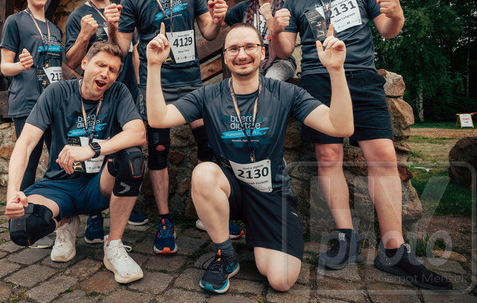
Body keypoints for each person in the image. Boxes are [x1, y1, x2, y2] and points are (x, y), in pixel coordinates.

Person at [270, 0, 452, 291]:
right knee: (328, 156)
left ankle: (394, 250)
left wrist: (397, 13)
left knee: (383, 156)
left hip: (362, 77)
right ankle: (345, 237)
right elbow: (285, 50)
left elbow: (388, 29)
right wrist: (275, 30)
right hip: (319, 80)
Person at [145, 22, 353, 293]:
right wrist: (154, 66)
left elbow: (341, 126)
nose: (241, 54)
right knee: (204, 173)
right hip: (231, 191)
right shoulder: (208, 95)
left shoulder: (285, 92)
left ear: (263, 52)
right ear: (225, 57)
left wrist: (336, 70)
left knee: (281, 280)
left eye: (249, 47)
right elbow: (158, 118)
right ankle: (226, 255)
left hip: (272, 194)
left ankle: (260, 235)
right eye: (233, 49)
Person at [116, 0, 242, 254]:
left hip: (191, 84)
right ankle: (165, 221)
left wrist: (218, 19)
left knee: (208, 147)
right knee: (158, 153)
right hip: (155, 87)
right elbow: (122, 46)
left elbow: (209, 32)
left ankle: (208, 213)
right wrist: (114, 28)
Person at [5, 42, 146, 284]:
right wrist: (12, 194)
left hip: (99, 184)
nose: (105, 73)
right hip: (58, 186)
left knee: (132, 158)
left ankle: (113, 245)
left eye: (112, 70)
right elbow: (25, 143)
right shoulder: (57, 92)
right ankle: (66, 222)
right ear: (84, 63)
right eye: (100, 65)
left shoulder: (118, 92)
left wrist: (92, 149)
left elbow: (138, 134)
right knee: (22, 227)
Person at [65, 0, 147, 244]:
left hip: (125, 94)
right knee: (96, 151)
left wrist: (140, 87)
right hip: (97, 98)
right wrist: (83, 36)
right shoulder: (78, 17)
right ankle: (95, 216)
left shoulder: (125, 10)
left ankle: (123, 207)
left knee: (127, 151)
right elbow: (71, 63)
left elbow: (130, 52)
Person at [0, 0, 63, 248]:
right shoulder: (15, 22)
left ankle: (51, 217)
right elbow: (4, 66)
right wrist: (20, 65)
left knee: (58, 163)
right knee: (28, 165)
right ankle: (21, 226)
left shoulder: (54, 29)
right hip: (27, 102)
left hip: (54, 104)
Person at [223, 0, 296, 81]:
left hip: (280, 62)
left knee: (270, 82)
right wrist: (221, 1)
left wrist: (268, 17)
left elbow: (284, 51)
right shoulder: (243, 8)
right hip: (253, 61)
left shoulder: (285, 9)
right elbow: (216, 24)